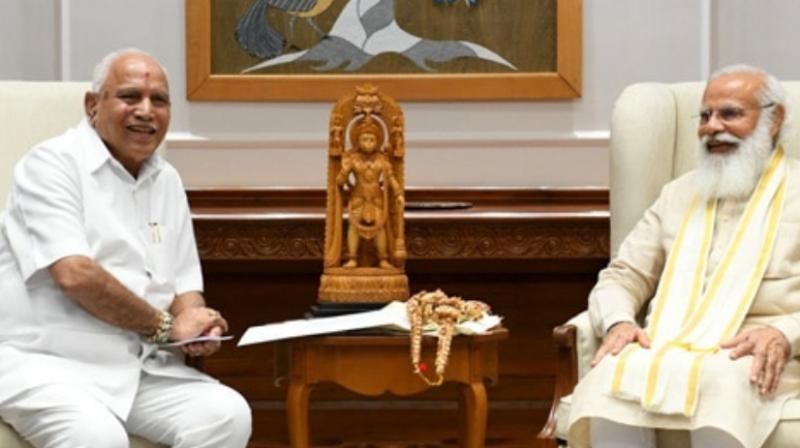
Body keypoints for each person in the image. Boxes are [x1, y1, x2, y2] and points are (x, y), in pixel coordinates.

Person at [0, 48, 252, 447]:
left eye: (160, 100)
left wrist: (197, 323)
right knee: (99, 438)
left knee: (226, 415)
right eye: (130, 97)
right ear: (92, 106)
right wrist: (167, 327)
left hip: (137, 368)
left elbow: (184, 285)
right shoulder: (50, 164)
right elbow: (75, 274)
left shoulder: (166, 179)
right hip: (46, 363)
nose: (146, 111)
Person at [567, 65, 800, 448]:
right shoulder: (679, 194)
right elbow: (622, 275)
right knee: (612, 376)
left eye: (730, 113)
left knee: (721, 382)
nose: (712, 126)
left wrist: (783, 333)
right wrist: (618, 322)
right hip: (667, 342)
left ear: (774, 120)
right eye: (705, 116)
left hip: (754, 354)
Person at [336, 116, 404, 269]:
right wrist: (345, 170)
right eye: (364, 139)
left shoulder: (382, 159)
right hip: (358, 197)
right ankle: (352, 258)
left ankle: (382, 259)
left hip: (376, 198)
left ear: (378, 141)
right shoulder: (352, 159)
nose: (368, 143)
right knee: (354, 226)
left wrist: (398, 194)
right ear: (357, 141)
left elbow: (391, 178)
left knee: (379, 227)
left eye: (372, 140)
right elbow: (339, 182)